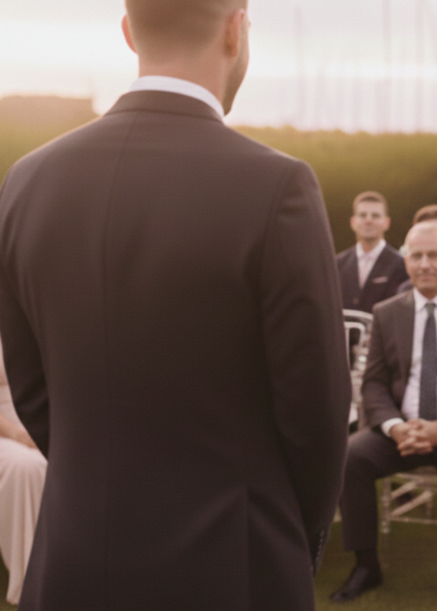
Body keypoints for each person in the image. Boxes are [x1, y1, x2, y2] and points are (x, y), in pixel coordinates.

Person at [0, 2, 350, 609]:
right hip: (234, 565)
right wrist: (298, 532)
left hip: (73, 559)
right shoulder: (278, 186)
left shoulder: (27, 180)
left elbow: (30, 384)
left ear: (129, 31)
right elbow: (316, 407)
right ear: (236, 29)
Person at [334, 223, 437, 611]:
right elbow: (373, 384)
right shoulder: (387, 312)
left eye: (434, 255)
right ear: (406, 260)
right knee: (350, 456)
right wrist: (395, 427)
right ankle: (365, 564)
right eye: (416, 255)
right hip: (402, 428)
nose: (424, 264)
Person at [0, 336, 46, 606]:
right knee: (27, 466)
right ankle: (32, 589)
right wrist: (19, 435)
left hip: (30, 417)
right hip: (8, 432)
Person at [336, 191, 408, 313]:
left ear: (386, 223)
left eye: (375, 216)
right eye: (363, 215)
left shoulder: (401, 264)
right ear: (353, 222)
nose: (368, 220)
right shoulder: (338, 263)